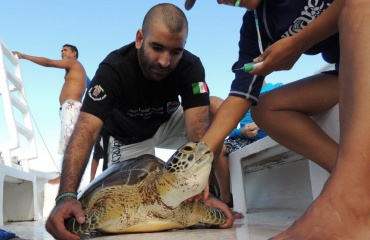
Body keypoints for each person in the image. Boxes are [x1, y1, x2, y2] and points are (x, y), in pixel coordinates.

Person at [45, 4, 233, 239]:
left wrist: (207, 194)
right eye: (157, 48)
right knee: (119, 208)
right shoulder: (114, 69)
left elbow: (198, 134)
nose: (165, 61)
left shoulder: (190, 66)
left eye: (176, 51)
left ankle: (224, 197)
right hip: (127, 137)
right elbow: (86, 130)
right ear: (139, 38)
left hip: (166, 122)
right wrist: (66, 196)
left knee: (216, 107)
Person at [187, 0, 370, 238]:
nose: (220, 1)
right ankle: (357, 185)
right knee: (264, 109)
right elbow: (242, 91)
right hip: (348, 70)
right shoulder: (256, 25)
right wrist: (197, 163)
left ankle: (350, 198)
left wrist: (298, 43)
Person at [12, 44, 87, 184]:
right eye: (61, 51)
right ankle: (65, 175)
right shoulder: (73, 67)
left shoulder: (73, 63)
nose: (62, 53)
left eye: (65, 50)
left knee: (70, 144)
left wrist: (23, 56)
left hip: (72, 108)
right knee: (68, 143)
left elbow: (48, 62)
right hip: (69, 108)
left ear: (74, 53)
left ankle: (67, 178)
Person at [211, 82, 282, 210]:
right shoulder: (240, 99)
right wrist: (241, 132)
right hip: (243, 140)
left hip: (272, 135)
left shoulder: (278, 87)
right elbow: (227, 128)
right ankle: (226, 198)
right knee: (215, 147)